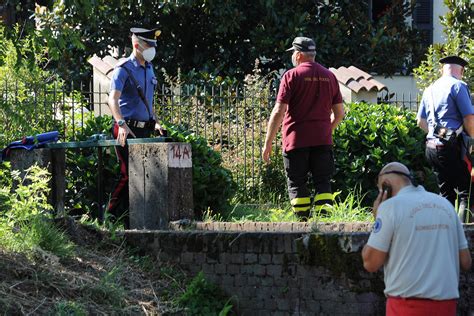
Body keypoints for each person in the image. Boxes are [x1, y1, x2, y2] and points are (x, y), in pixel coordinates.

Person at [362, 162, 472, 316]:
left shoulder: (389, 208)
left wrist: (378, 219)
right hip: (446, 306)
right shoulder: (446, 206)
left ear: (385, 186)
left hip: (405, 306)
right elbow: (466, 261)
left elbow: (370, 263)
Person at [262, 36, 345, 221]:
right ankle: (324, 226)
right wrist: (327, 130)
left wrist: (268, 143)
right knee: (323, 182)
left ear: (298, 55)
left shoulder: (291, 76)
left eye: (293, 53)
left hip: (296, 140)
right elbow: (340, 113)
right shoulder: (330, 76)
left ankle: (302, 224)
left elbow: (278, 111)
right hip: (323, 141)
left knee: (297, 183)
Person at [107, 27, 166, 225]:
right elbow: (112, 100)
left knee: (145, 176)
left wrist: (156, 121)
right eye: (148, 45)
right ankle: (110, 215)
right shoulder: (123, 68)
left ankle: (136, 219)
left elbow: (148, 102)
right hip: (126, 128)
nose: (151, 49)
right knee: (127, 175)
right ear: (136, 45)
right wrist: (121, 123)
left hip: (144, 128)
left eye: (153, 46)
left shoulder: (149, 68)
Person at [417, 55, 474, 221]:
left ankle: (443, 234)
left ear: (443, 69)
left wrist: (438, 134)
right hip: (452, 149)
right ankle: (465, 239)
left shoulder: (430, 89)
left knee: (445, 194)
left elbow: (420, 121)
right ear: (461, 70)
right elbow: (469, 118)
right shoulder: (458, 86)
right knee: (466, 193)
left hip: (432, 148)